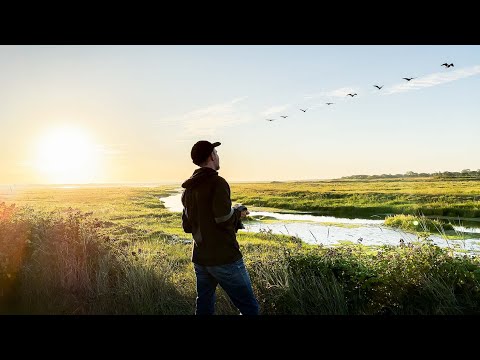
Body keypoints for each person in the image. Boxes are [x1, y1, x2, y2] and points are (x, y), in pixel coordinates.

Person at [181, 140, 260, 315]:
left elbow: (187, 226)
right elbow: (223, 219)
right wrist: (238, 213)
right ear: (211, 156)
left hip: (200, 258)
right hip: (224, 257)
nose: (218, 156)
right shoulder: (218, 183)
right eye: (216, 153)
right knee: (250, 308)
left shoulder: (188, 189)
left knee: (204, 307)